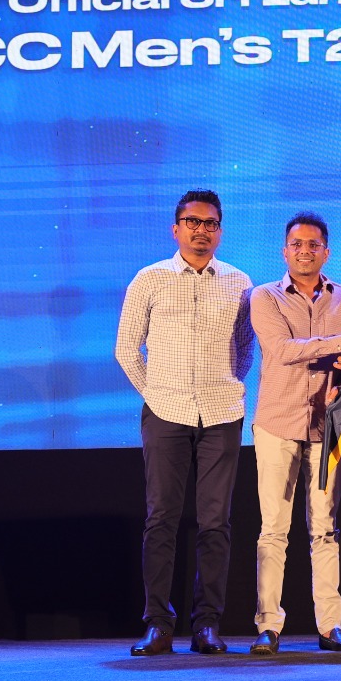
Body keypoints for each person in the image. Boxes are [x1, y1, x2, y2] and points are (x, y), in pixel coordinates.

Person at [115, 190, 253, 656]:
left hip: (221, 414)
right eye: (192, 222)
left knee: (216, 522)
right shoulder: (149, 278)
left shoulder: (239, 282)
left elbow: (245, 347)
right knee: (162, 520)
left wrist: (228, 384)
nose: (201, 231)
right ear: (176, 229)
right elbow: (126, 348)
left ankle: (207, 624)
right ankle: (158, 623)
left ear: (220, 231)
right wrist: (155, 394)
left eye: (210, 223)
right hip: (166, 412)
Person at [246, 212, 341, 655]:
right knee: (273, 529)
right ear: (284, 251)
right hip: (277, 422)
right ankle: (269, 626)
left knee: (324, 529)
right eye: (297, 244)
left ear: (326, 252)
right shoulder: (264, 297)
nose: (305, 251)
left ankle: (330, 626)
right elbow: (281, 351)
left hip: (328, 424)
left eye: (313, 245)